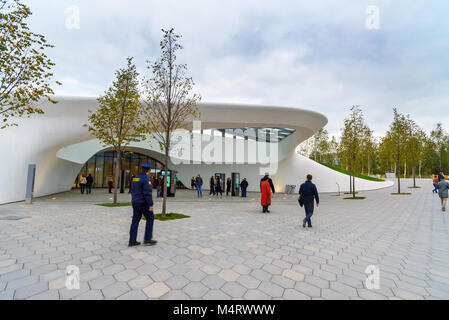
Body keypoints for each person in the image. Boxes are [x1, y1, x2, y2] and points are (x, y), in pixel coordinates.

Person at [129, 163, 157, 247]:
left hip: (135, 202)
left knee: (135, 221)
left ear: (141, 169)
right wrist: (150, 204)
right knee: (150, 218)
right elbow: (147, 194)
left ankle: (132, 241)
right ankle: (147, 239)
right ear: (148, 170)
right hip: (143, 203)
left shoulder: (135, 178)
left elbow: (132, 190)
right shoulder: (146, 179)